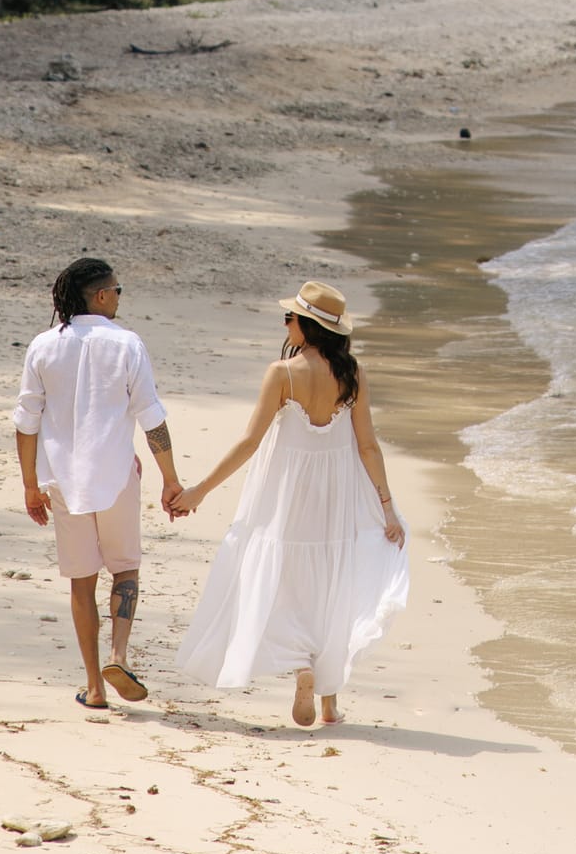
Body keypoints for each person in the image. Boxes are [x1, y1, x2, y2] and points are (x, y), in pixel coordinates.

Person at [172, 279, 408, 727]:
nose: (286, 323)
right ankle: (329, 702)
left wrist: (200, 491)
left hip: (286, 497)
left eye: (290, 318)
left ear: (307, 327)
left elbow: (249, 442)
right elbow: (369, 447)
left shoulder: (282, 373)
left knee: (286, 582)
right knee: (331, 585)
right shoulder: (351, 374)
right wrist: (387, 508)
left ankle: (302, 666)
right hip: (336, 497)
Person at [14, 254, 183, 711]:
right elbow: (152, 418)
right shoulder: (127, 344)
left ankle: (94, 686)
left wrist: (30, 485)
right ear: (103, 295)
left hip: (64, 484)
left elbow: (26, 423)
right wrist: (171, 480)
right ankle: (119, 655)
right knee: (125, 567)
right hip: (116, 478)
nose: (119, 299)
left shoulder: (43, 347)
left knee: (81, 583)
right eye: (118, 291)